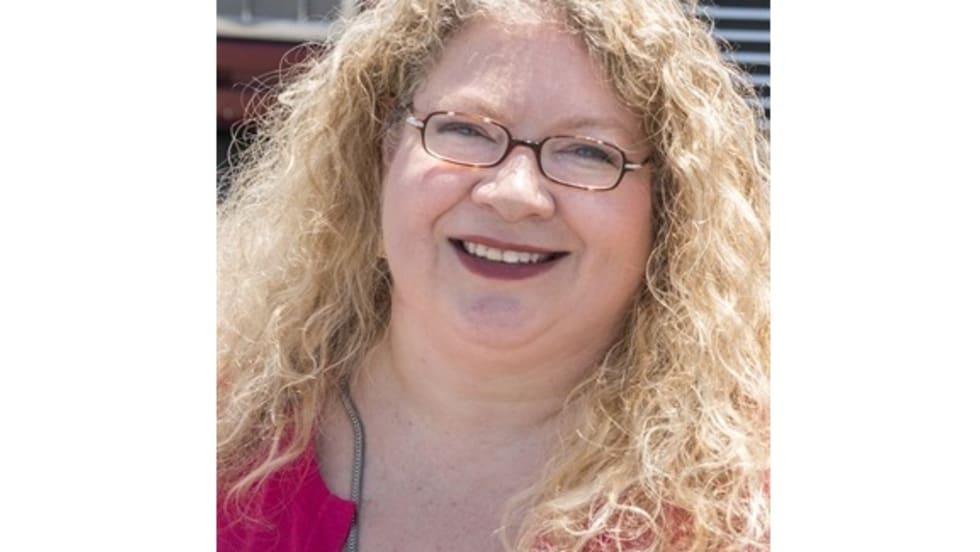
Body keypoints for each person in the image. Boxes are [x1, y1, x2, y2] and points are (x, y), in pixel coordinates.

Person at [217, 0, 770, 550]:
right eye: (465, 130)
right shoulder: (214, 427)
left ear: (669, 208)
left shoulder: (751, 512)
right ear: (384, 151)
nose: (513, 194)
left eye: (588, 152)